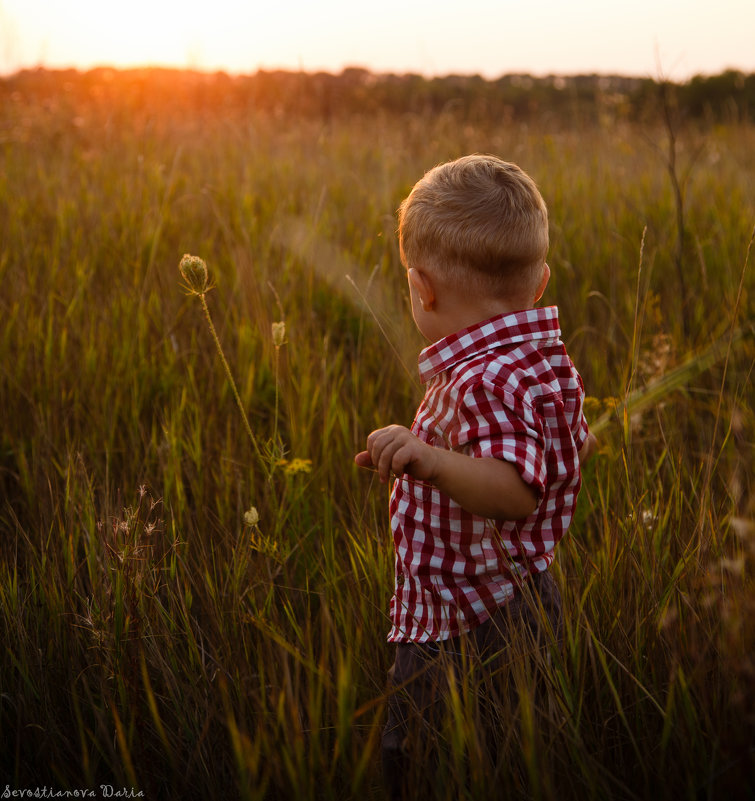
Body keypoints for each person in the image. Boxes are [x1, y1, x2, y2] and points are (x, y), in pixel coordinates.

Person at [354, 154, 596, 798]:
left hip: (471, 618)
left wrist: (431, 460)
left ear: (421, 288)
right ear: (540, 281)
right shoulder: (539, 357)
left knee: (435, 760)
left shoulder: (485, 378)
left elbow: (516, 491)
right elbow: (569, 442)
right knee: (514, 757)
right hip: (523, 598)